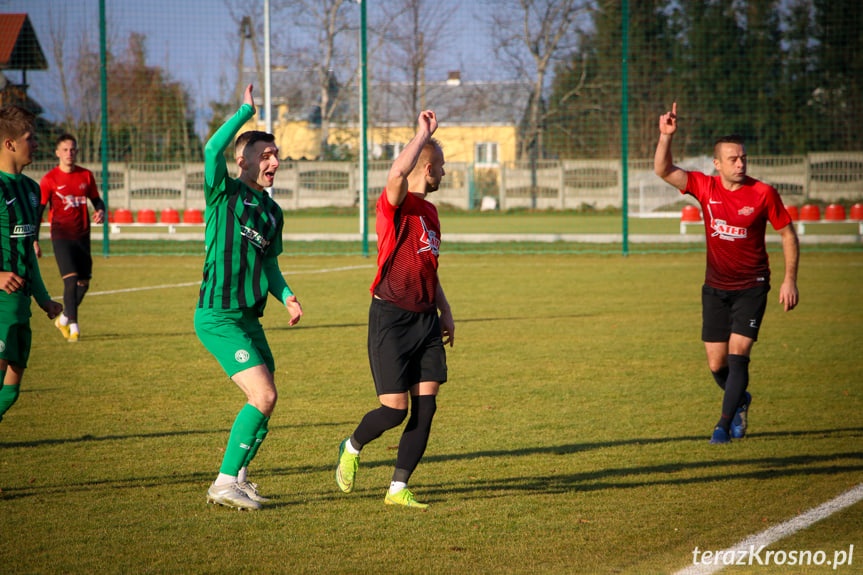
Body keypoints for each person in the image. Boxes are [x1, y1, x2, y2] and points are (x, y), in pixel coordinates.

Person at [654, 102, 800, 444]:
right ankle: (741, 399)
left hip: (752, 287)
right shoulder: (705, 188)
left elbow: (788, 234)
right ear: (716, 164)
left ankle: (723, 424)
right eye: (733, 159)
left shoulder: (763, 193)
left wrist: (789, 278)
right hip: (715, 289)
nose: (740, 163)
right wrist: (665, 136)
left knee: (738, 356)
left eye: (743, 158)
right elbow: (663, 169)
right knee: (716, 363)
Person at [335, 110, 454, 509]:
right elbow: (396, 175)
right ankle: (351, 447)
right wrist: (423, 135)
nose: (443, 174)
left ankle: (398, 488)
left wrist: (445, 311)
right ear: (427, 166)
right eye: (440, 167)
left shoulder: (433, 213)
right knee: (394, 411)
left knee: (427, 407)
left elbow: (428, 267)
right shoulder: (396, 205)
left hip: (426, 320)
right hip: (391, 318)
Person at [194, 84, 303, 510]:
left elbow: (270, 266)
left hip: (249, 319)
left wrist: (288, 296)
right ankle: (222, 482)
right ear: (244, 160)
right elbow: (210, 149)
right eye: (266, 154)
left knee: (267, 395)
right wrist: (245, 112)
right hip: (218, 315)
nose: (274, 161)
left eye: (277, 156)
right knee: (264, 396)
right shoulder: (224, 191)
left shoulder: (273, 213)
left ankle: (239, 478)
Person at [0, 105, 64, 424]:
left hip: (20, 305)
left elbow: (27, 250)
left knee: (10, 392)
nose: (36, 143)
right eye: (30, 137)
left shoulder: (31, 189)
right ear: (9, 143)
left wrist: (43, 299)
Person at [36, 134, 106, 343]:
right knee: (71, 280)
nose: (69, 153)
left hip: (82, 237)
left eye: (72, 149)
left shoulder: (86, 176)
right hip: (61, 236)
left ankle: (65, 318)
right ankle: (74, 327)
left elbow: (97, 200)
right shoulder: (49, 179)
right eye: (65, 150)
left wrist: (101, 211)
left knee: (84, 284)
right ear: (57, 153)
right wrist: (34, 240)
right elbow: (38, 211)